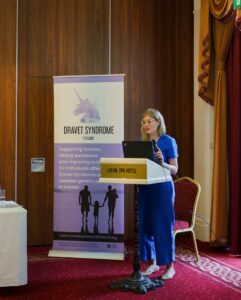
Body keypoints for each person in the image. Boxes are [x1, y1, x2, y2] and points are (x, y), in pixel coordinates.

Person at [138, 108, 178, 280]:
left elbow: (175, 169)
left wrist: (162, 163)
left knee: (162, 226)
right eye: (144, 122)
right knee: (145, 226)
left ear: (158, 122)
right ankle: (152, 263)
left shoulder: (169, 141)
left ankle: (169, 266)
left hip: (163, 188)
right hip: (146, 188)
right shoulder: (142, 143)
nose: (146, 125)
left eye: (149, 121)